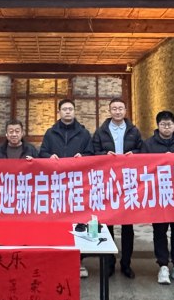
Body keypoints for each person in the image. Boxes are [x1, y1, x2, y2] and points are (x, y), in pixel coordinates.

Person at [41, 99, 94, 277]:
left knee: (79, 222)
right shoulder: (50, 133)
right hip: (56, 184)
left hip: (77, 184)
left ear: (74, 111)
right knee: (57, 221)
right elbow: (42, 152)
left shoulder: (84, 133)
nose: (68, 112)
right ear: (59, 112)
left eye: (70, 109)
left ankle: (79, 260)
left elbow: (92, 154)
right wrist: (49, 157)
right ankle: (58, 256)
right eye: (64, 109)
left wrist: (83, 157)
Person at [91, 98, 142, 278]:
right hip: (108, 182)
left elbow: (143, 150)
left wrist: (134, 154)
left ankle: (126, 263)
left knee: (128, 226)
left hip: (128, 183)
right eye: (114, 108)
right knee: (108, 224)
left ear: (125, 110)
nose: (118, 111)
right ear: (110, 111)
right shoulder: (101, 132)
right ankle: (109, 263)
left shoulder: (134, 131)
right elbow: (93, 152)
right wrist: (105, 154)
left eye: (121, 108)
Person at [141, 110, 174, 285]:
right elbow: (143, 166)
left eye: (169, 124)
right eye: (163, 124)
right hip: (158, 194)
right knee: (159, 231)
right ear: (158, 125)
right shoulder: (148, 144)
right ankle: (162, 265)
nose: (166, 127)